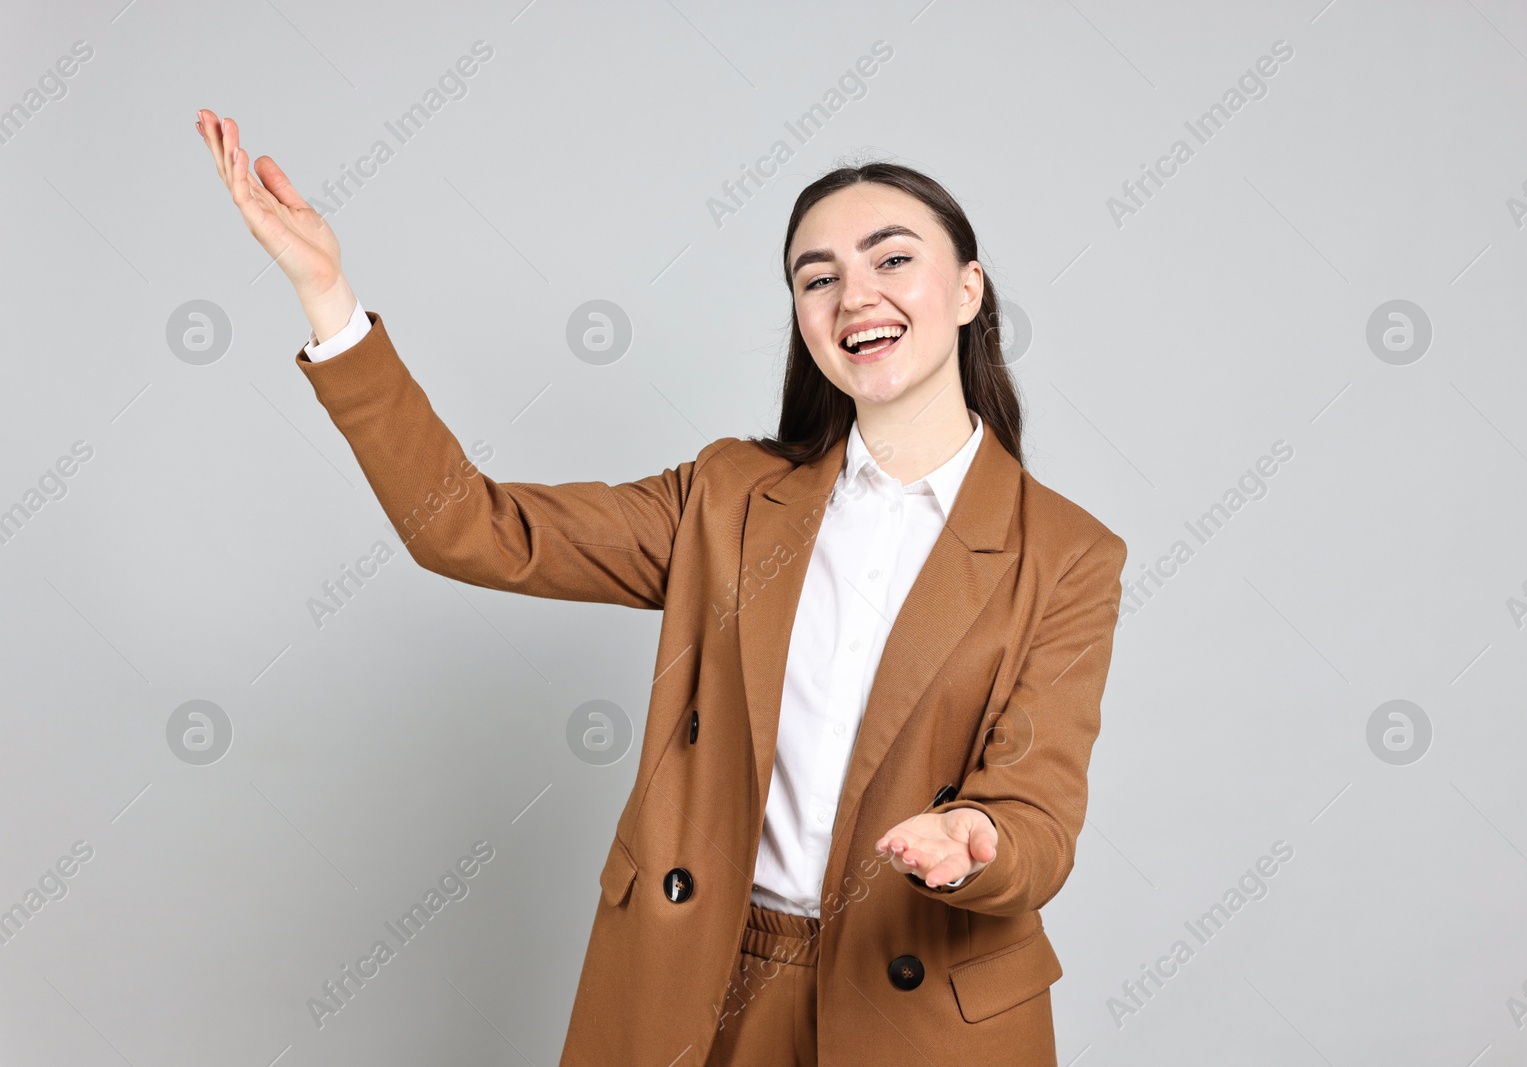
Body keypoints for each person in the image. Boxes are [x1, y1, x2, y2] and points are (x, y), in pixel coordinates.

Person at [196, 109, 1127, 1066]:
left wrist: (976, 837)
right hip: (702, 975)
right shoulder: (728, 497)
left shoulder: (1067, 553)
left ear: (970, 289)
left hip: (922, 1002)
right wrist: (328, 297)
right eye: (818, 276)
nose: (855, 295)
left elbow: (1037, 815)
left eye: (891, 260)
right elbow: (470, 527)